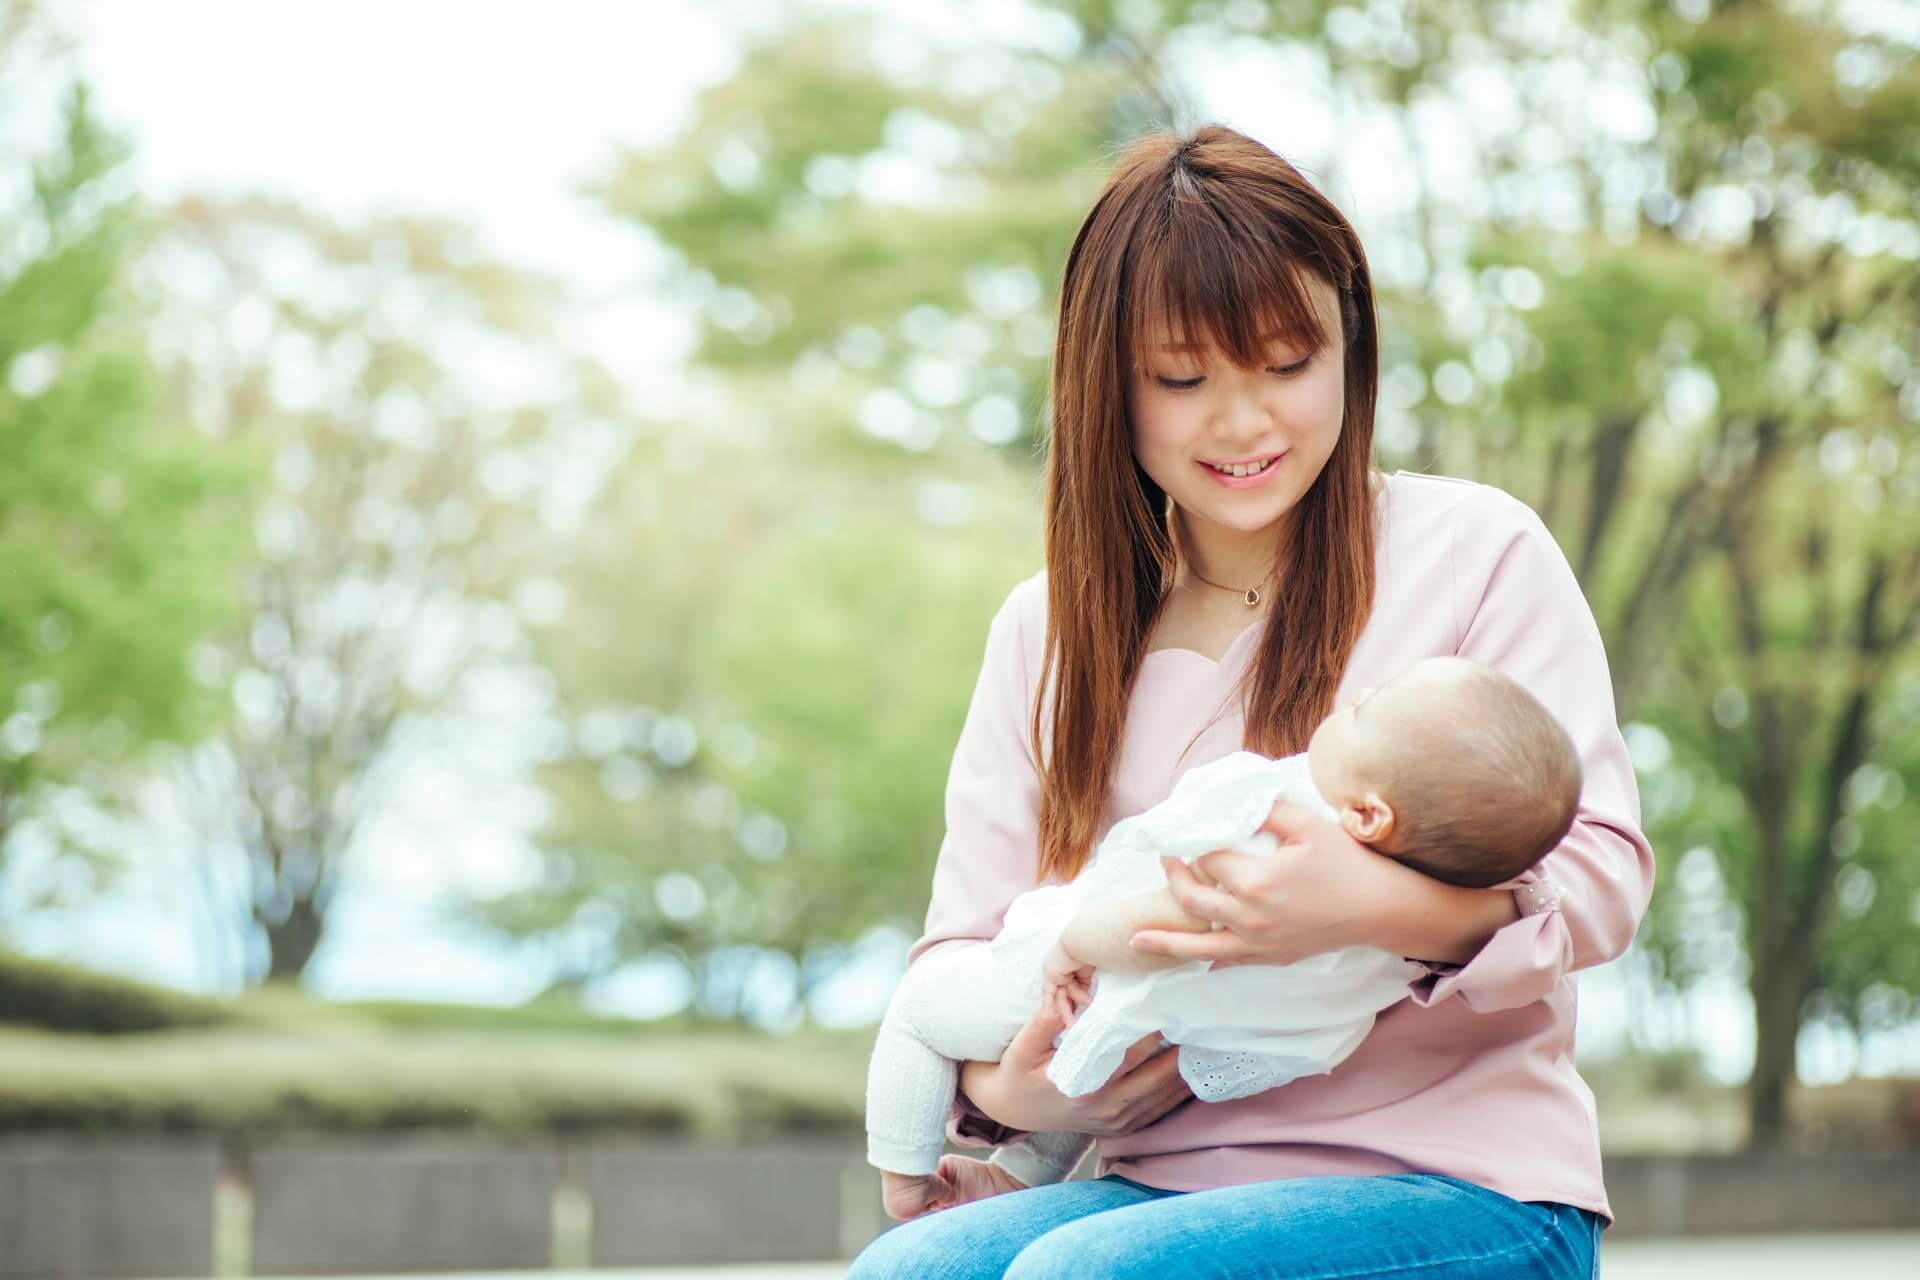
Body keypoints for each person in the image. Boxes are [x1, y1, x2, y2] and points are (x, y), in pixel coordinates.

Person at [847, 122, 1651, 1279]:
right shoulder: (1049, 631)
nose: (1245, 422)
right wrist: (1023, 1085)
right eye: (1184, 379)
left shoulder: (1475, 550)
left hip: (1461, 1182)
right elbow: (967, 961)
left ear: (1350, 349)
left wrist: (1357, 904)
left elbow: (1600, 878)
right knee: (905, 1273)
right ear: (1107, 384)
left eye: (1287, 364)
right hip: (1148, 1176)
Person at [867, 656, 1584, 1222]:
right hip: (1177, 1028)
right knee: (1095, 1056)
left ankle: (904, 1176)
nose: (1356, 694)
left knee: (919, 1013)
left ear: (1367, 813)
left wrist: (1073, 942)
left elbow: (1169, 919)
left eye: (1366, 710)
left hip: (1098, 973)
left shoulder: (1289, 831)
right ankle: (1010, 1176)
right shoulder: (1394, 948)